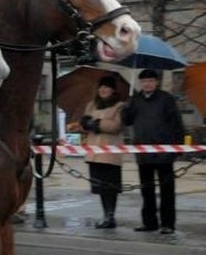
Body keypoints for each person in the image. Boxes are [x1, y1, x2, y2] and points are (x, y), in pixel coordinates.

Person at [121, 69, 184, 234]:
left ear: (156, 82)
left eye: (150, 81)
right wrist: (126, 108)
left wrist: (177, 148)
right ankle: (149, 222)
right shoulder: (135, 100)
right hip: (143, 153)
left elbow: (177, 123)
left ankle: (168, 224)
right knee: (146, 190)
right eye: (144, 81)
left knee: (166, 191)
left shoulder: (166, 99)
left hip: (164, 153)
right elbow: (127, 121)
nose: (147, 84)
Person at [69, 74, 126, 229]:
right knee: (100, 187)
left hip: (110, 154)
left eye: (107, 87)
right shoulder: (91, 105)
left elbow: (115, 126)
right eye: (101, 87)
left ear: (113, 90)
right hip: (94, 153)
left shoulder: (119, 106)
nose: (103, 90)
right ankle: (105, 215)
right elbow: (85, 123)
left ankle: (110, 216)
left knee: (110, 187)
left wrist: (95, 123)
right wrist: (79, 125)